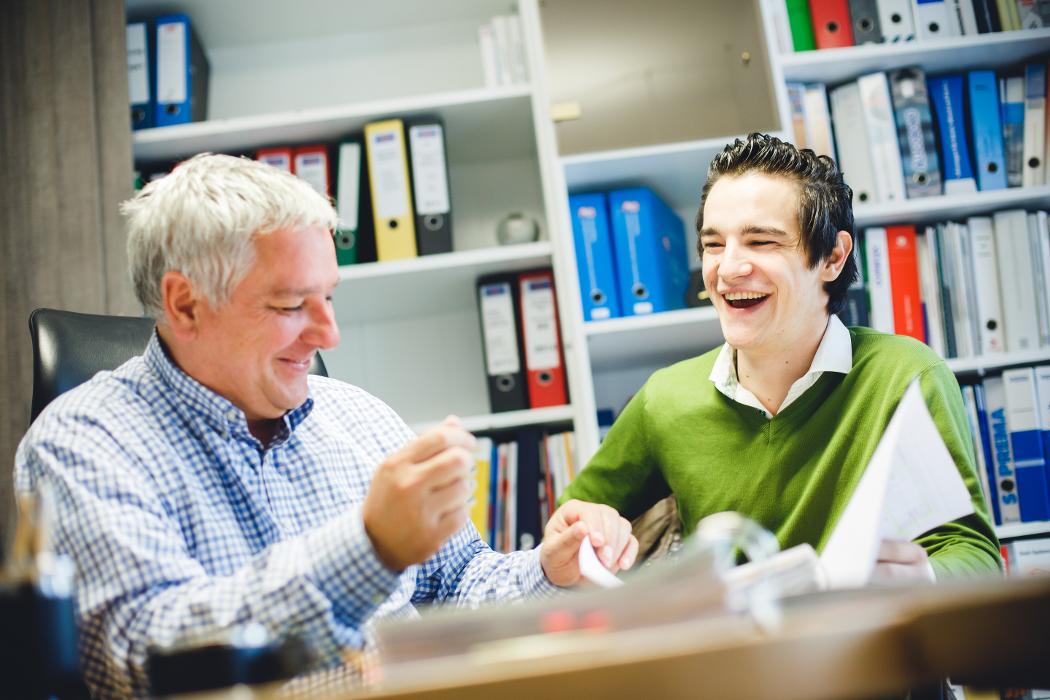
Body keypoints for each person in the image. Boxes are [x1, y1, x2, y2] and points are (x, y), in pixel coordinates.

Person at [14, 153, 637, 698]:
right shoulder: (82, 442)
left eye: (329, 297)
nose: (328, 336)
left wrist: (548, 570)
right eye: (289, 305)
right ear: (184, 304)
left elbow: (460, 581)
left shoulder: (355, 414)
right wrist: (369, 547)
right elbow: (143, 659)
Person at [560, 133, 1000, 583]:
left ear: (832, 256)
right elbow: (568, 526)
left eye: (761, 242)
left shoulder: (905, 375)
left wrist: (923, 576)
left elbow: (976, 555)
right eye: (714, 245)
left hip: (865, 644)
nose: (727, 269)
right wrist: (590, 533)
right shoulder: (664, 399)